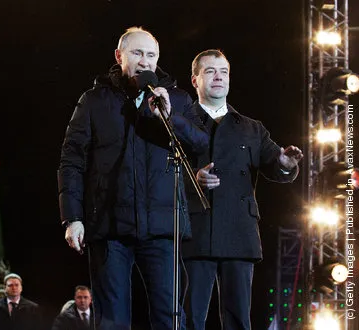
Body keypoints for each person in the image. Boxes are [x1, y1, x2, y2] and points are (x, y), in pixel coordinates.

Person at [58, 27, 209, 330]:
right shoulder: (94, 101)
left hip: (163, 227)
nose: (145, 61)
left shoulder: (176, 99)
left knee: (170, 317)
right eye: (137, 53)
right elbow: (72, 159)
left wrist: (170, 117)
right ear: (119, 56)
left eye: (151, 55)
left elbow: (201, 143)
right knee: (112, 320)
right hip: (109, 226)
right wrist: (72, 217)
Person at [182, 50, 303, 330]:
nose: (218, 77)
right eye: (210, 71)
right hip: (194, 233)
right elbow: (162, 174)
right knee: (189, 318)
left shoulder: (251, 128)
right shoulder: (180, 122)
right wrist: (193, 180)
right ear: (195, 79)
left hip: (238, 232)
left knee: (238, 319)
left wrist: (285, 162)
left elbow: (277, 166)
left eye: (223, 72)